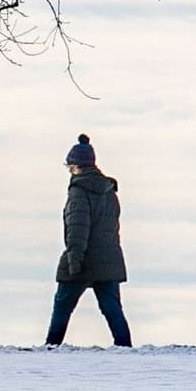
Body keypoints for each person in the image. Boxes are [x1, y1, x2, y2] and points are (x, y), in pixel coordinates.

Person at [48, 134, 133, 346]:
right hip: (109, 258)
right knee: (112, 309)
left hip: (84, 258)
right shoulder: (109, 192)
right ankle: (125, 347)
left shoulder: (79, 192)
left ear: (76, 166)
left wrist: (74, 261)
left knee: (62, 306)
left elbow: (77, 230)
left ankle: (51, 345)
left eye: (69, 166)